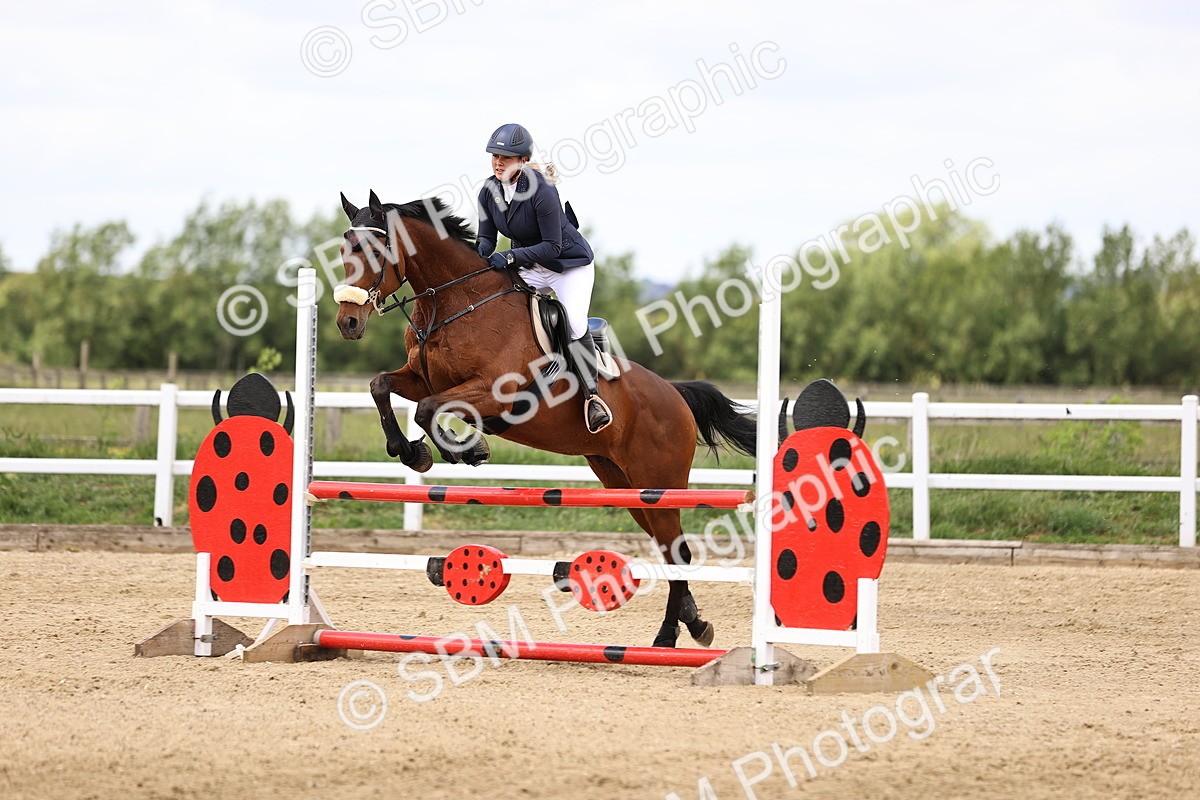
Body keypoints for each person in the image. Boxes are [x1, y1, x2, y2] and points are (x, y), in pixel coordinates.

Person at [476, 122, 613, 434]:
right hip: (531, 266)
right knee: (500, 302)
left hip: (568, 265)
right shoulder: (488, 191)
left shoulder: (542, 191)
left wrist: (508, 257)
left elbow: (552, 246)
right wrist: (476, 259)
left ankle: (592, 398)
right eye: (495, 156)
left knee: (575, 323)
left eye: (506, 158)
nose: (498, 162)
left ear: (522, 161)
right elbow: (486, 239)